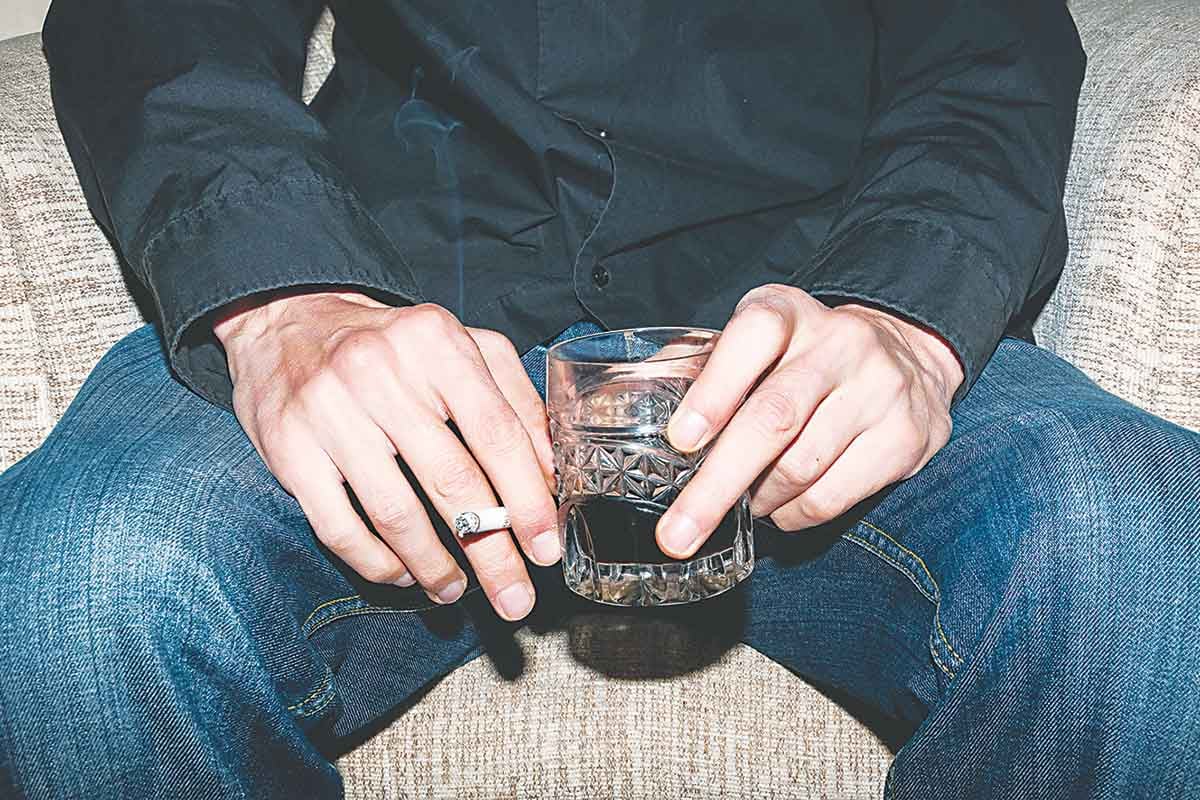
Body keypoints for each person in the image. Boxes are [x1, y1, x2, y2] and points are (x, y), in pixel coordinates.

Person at [1, 0, 1197, 797]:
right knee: (90, 572)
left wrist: (906, 311)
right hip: (406, 321)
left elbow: (988, 51)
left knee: (1132, 533)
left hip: (801, 322)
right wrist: (286, 298)